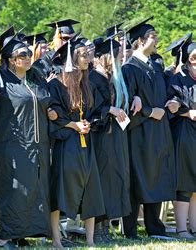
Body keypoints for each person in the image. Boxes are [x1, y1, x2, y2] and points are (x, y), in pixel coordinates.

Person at [0, 32, 57, 249]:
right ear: (10, 59)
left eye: (29, 54)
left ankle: (23, 235)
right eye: (22, 55)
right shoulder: (0, 80)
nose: (28, 57)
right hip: (11, 146)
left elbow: (46, 100)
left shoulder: (33, 79)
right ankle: (5, 237)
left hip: (37, 145)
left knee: (34, 189)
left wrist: (52, 109)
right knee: (14, 190)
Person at [121, 17, 176, 240]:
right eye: (153, 36)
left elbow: (165, 94)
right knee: (137, 178)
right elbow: (126, 106)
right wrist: (149, 112)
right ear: (141, 40)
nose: (157, 40)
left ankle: (155, 228)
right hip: (139, 134)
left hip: (159, 133)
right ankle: (131, 230)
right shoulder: (129, 69)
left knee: (157, 176)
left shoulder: (154, 66)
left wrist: (174, 103)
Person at [48, 35, 105, 248]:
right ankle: (56, 240)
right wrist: (73, 126)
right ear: (72, 58)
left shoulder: (86, 83)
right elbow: (53, 116)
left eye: (88, 54)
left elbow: (97, 109)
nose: (88, 58)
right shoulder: (57, 84)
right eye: (83, 55)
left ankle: (90, 241)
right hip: (66, 144)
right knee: (60, 190)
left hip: (85, 143)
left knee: (91, 188)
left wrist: (90, 123)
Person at [90, 36, 131, 243]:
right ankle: (97, 228)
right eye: (115, 55)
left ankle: (106, 225)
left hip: (114, 135)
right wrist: (110, 110)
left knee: (114, 179)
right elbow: (91, 109)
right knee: (102, 181)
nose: (118, 58)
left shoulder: (111, 77)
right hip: (100, 137)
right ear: (106, 56)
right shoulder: (93, 78)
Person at [167, 40, 196, 239]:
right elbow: (172, 104)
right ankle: (182, 229)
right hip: (184, 134)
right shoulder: (178, 79)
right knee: (185, 182)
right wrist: (188, 113)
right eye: (194, 58)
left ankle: (194, 228)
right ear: (187, 60)